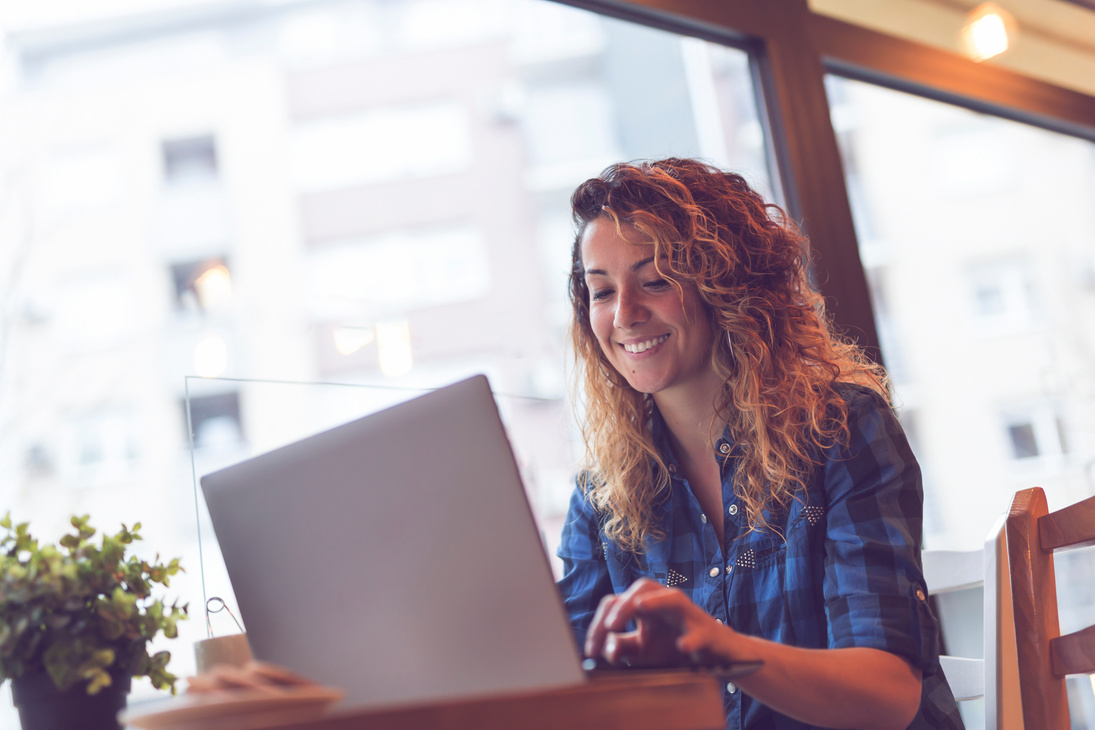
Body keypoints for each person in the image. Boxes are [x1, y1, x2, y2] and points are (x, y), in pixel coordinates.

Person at [557, 158, 963, 730]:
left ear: (727, 286)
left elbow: (888, 695)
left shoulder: (841, 428)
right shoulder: (602, 494)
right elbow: (563, 687)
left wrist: (716, 647)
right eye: (601, 292)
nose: (625, 314)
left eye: (655, 281)